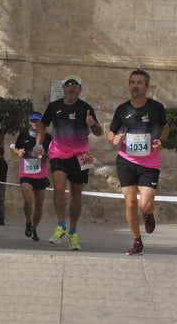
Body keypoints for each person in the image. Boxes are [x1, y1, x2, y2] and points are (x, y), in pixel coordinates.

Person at [34, 74, 103, 251]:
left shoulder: (86, 108)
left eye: (75, 85)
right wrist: (39, 144)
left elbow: (99, 132)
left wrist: (93, 123)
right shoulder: (54, 106)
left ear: (80, 89)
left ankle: (72, 231)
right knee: (58, 187)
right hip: (58, 153)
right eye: (69, 85)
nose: (71, 88)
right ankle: (61, 225)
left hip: (80, 156)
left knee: (76, 193)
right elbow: (42, 125)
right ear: (63, 87)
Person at [107, 69, 169, 255]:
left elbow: (165, 129)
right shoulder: (122, 109)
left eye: (139, 82)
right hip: (126, 161)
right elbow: (111, 132)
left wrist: (161, 141)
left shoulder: (156, 108)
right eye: (132, 82)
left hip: (149, 164)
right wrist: (113, 139)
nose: (135, 85)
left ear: (146, 87)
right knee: (130, 203)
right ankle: (137, 241)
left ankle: (148, 214)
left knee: (144, 204)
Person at [12, 112, 52, 241]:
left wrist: (46, 153)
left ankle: (34, 228)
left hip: (41, 174)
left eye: (38, 121)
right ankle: (28, 221)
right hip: (26, 174)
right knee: (29, 201)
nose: (35, 123)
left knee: (39, 205)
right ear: (29, 122)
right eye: (33, 121)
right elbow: (15, 148)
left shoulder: (48, 137)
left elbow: (52, 153)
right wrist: (18, 152)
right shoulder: (23, 135)